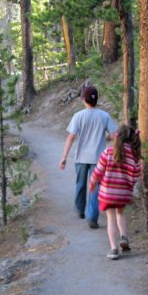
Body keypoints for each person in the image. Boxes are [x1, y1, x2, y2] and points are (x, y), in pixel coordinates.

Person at [59, 85, 116, 228]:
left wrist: (64, 157)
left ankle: (80, 210)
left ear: (84, 99)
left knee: (80, 184)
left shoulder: (78, 116)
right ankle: (92, 217)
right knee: (95, 188)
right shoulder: (104, 115)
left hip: (81, 158)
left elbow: (71, 137)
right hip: (98, 159)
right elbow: (115, 135)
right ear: (97, 99)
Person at [89, 124, 142, 259]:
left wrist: (93, 182)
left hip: (107, 193)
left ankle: (114, 249)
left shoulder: (108, 152)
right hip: (123, 193)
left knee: (110, 219)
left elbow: (98, 171)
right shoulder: (134, 157)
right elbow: (136, 175)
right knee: (120, 214)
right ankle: (124, 237)